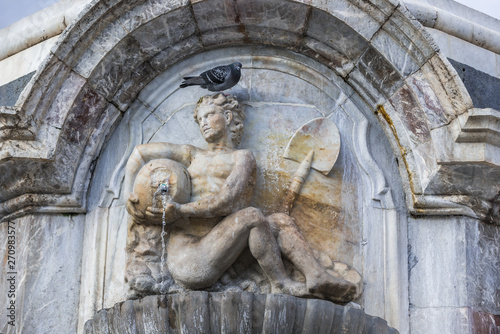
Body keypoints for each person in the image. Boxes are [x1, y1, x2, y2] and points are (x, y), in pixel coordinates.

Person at [124, 93, 357, 302]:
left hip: (216, 249)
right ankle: (281, 283)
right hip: (188, 260)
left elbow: (228, 200)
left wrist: (181, 210)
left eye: (210, 115)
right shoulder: (190, 154)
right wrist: (129, 194)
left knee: (279, 220)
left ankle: (316, 275)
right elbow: (139, 153)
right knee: (253, 216)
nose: (203, 123)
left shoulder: (242, 157)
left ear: (227, 116)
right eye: (200, 119)